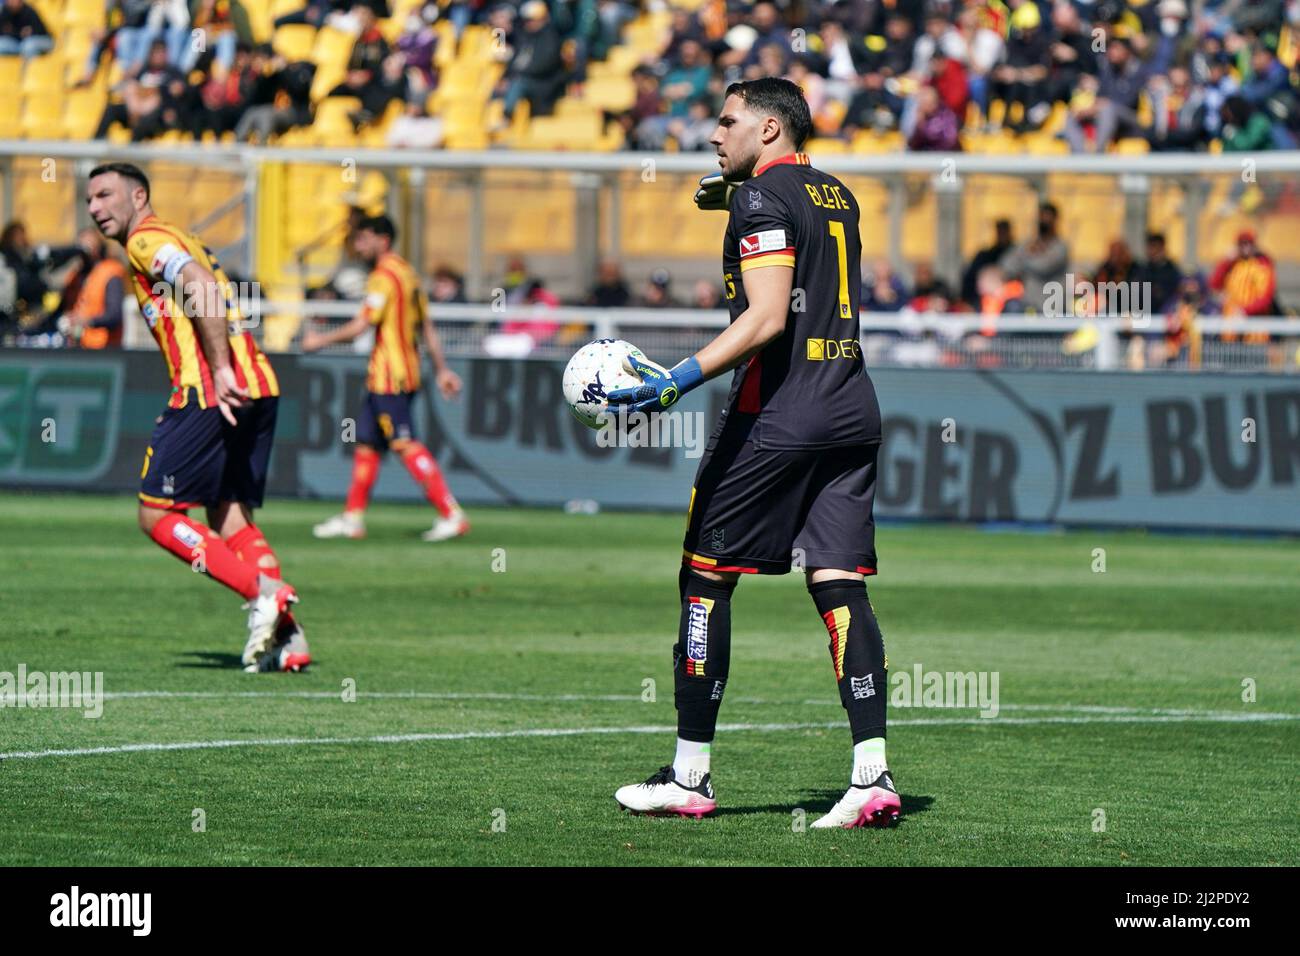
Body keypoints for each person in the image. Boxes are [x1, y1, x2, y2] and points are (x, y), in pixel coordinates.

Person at [609, 78, 899, 829]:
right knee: (838, 583)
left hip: (780, 411)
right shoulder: (837, 192)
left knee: (705, 576)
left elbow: (769, 316)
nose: (714, 134)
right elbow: (800, 237)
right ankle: (872, 774)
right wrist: (740, 197)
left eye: (727, 121)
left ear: (768, 129)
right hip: (851, 406)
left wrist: (678, 378)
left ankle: (690, 776)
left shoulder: (759, 201)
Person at [85, 162, 309, 674]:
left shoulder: (145, 239)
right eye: (89, 200)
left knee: (157, 515)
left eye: (104, 195)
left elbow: (200, 288)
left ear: (138, 197)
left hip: (210, 387)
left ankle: (263, 592)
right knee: (229, 516)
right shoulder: (181, 234)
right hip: (259, 384)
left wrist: (220, 368)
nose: (95, 208)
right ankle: (290, 640)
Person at [304, 215, 469, 543]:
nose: (359, 246)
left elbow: (360, 325)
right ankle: (353, 517)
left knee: (404, 443)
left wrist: (318, 340)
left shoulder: (383, 277)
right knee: (367, 443)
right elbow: (427, 327)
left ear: (383, 239)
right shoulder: (409, 274)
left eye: (364, 238)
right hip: (402, 372)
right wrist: (442, 370)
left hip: (389, 375)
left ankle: (451, 513)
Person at [60, 228, 128, 349]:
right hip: (77, 347)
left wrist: (86, 321)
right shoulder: (74, 276)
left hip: (104, 349)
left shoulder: (110, 272)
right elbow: (63, 309)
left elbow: (114, 316)